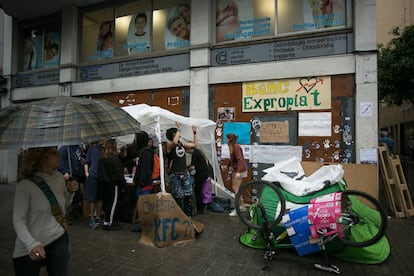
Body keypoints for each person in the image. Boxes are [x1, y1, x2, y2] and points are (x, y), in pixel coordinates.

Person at [12, 146, 79, 276]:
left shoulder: (59, 178)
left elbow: (63, 207)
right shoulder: (25, 186)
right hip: (29, 246)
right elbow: (18, 220)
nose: (58, 155)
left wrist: (70, 192)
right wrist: (31, 244)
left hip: (58, 238)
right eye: (54, 153)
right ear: (42, 158)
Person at [166, 123, 198, 216]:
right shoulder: (169, 144)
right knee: (178, 195)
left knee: (188, 193)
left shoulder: (182, 143)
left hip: (184, 172)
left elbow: (194, 145)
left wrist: (195, 132)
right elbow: (175, 142)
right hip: (175, 174)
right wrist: (179, 129)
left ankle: (186, 214)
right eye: (177, 133)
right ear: (174, 134)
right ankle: (180, 215)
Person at [98, 139, 125, 231]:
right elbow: (118, 174)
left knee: (108, 203)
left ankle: (107, 221)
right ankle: (109, 223)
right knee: (113, 203)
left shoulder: (103, 158)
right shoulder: (114, 159)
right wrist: (122, 184)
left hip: (104, 184)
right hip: (113, 184)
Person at [57, 144, 86, 220]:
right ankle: (65, 213)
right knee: (67, 196)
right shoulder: (64, 148)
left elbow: (79, 160)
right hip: (68, 175)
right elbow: (60, 160)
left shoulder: (78, 148)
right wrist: (64, 171)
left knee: (75, 196)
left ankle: (73, 212)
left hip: (76, 175)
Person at [84, 139, 105, 229]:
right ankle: (92, 217)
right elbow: (86, 162)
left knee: (100, 197)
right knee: (92, 198)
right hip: (93, 175)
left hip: (102, 176)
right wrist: (86, 173)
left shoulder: (105, 149)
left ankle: (98, 216)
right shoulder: (92, 149)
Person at [226, 133, 247, 216]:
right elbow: (233, 160)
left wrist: (238, 172)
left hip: (240, 170)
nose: (226, 140)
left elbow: (240, 160)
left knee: (236, 189)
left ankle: (237, 209)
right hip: (238, 170)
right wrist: (228, 165)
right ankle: (242, 206)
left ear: (230, 139)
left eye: (227, 139)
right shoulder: (232, 147)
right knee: (236, 189)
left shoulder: (236, 147)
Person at [187, 147, 213, 214]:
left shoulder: (195, 154)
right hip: (206, 174)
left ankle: (200, 209)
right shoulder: (200, 152)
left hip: (200, 175)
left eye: (187, 151)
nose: (187, 153)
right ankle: (202, 207)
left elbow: (193, 166)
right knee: (201, 191)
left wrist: (187, 171)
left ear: (189, 149)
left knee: (198, 191)